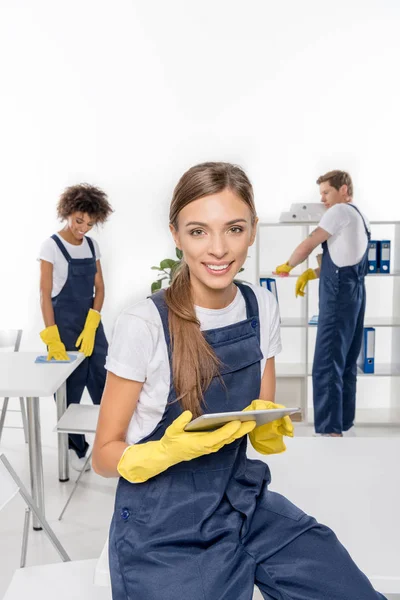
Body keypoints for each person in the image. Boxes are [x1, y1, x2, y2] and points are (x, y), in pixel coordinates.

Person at [93, 163, 384, 599]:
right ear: (175, 234)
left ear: (252, 230)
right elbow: (103, 453)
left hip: (244, 499)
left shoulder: (260, 305)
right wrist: (155, 455)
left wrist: (267, 425)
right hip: (164, 524)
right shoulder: (144, 323)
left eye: (233, 228)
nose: (217, 249)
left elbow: (258, 411)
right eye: (198, 231)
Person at [275, 170, 370, 436]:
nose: (324, 199)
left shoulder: (338, 212)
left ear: (343, 189)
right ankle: (343, 423)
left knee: (327, 361)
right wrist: (311, 273)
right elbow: (344, 258)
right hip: (355, 292)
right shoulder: (358, 216)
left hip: (339, 294)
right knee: (346, 360)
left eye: (327, 192)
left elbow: (309, 242)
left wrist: (289, 265)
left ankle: (330, 430)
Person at [38, 183, 113, 471]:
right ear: (68, 212)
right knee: (70, 391)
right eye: (79, 220)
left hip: (91, 325)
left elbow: (100, 289)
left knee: (105, 383)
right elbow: (45, 294)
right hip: (64, 329)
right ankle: (74, 449)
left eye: (90, 224)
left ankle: (108, 442)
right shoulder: (52, 246)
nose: (83, 228)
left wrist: (93, 323)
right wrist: (52, 338)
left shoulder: (92, 246)